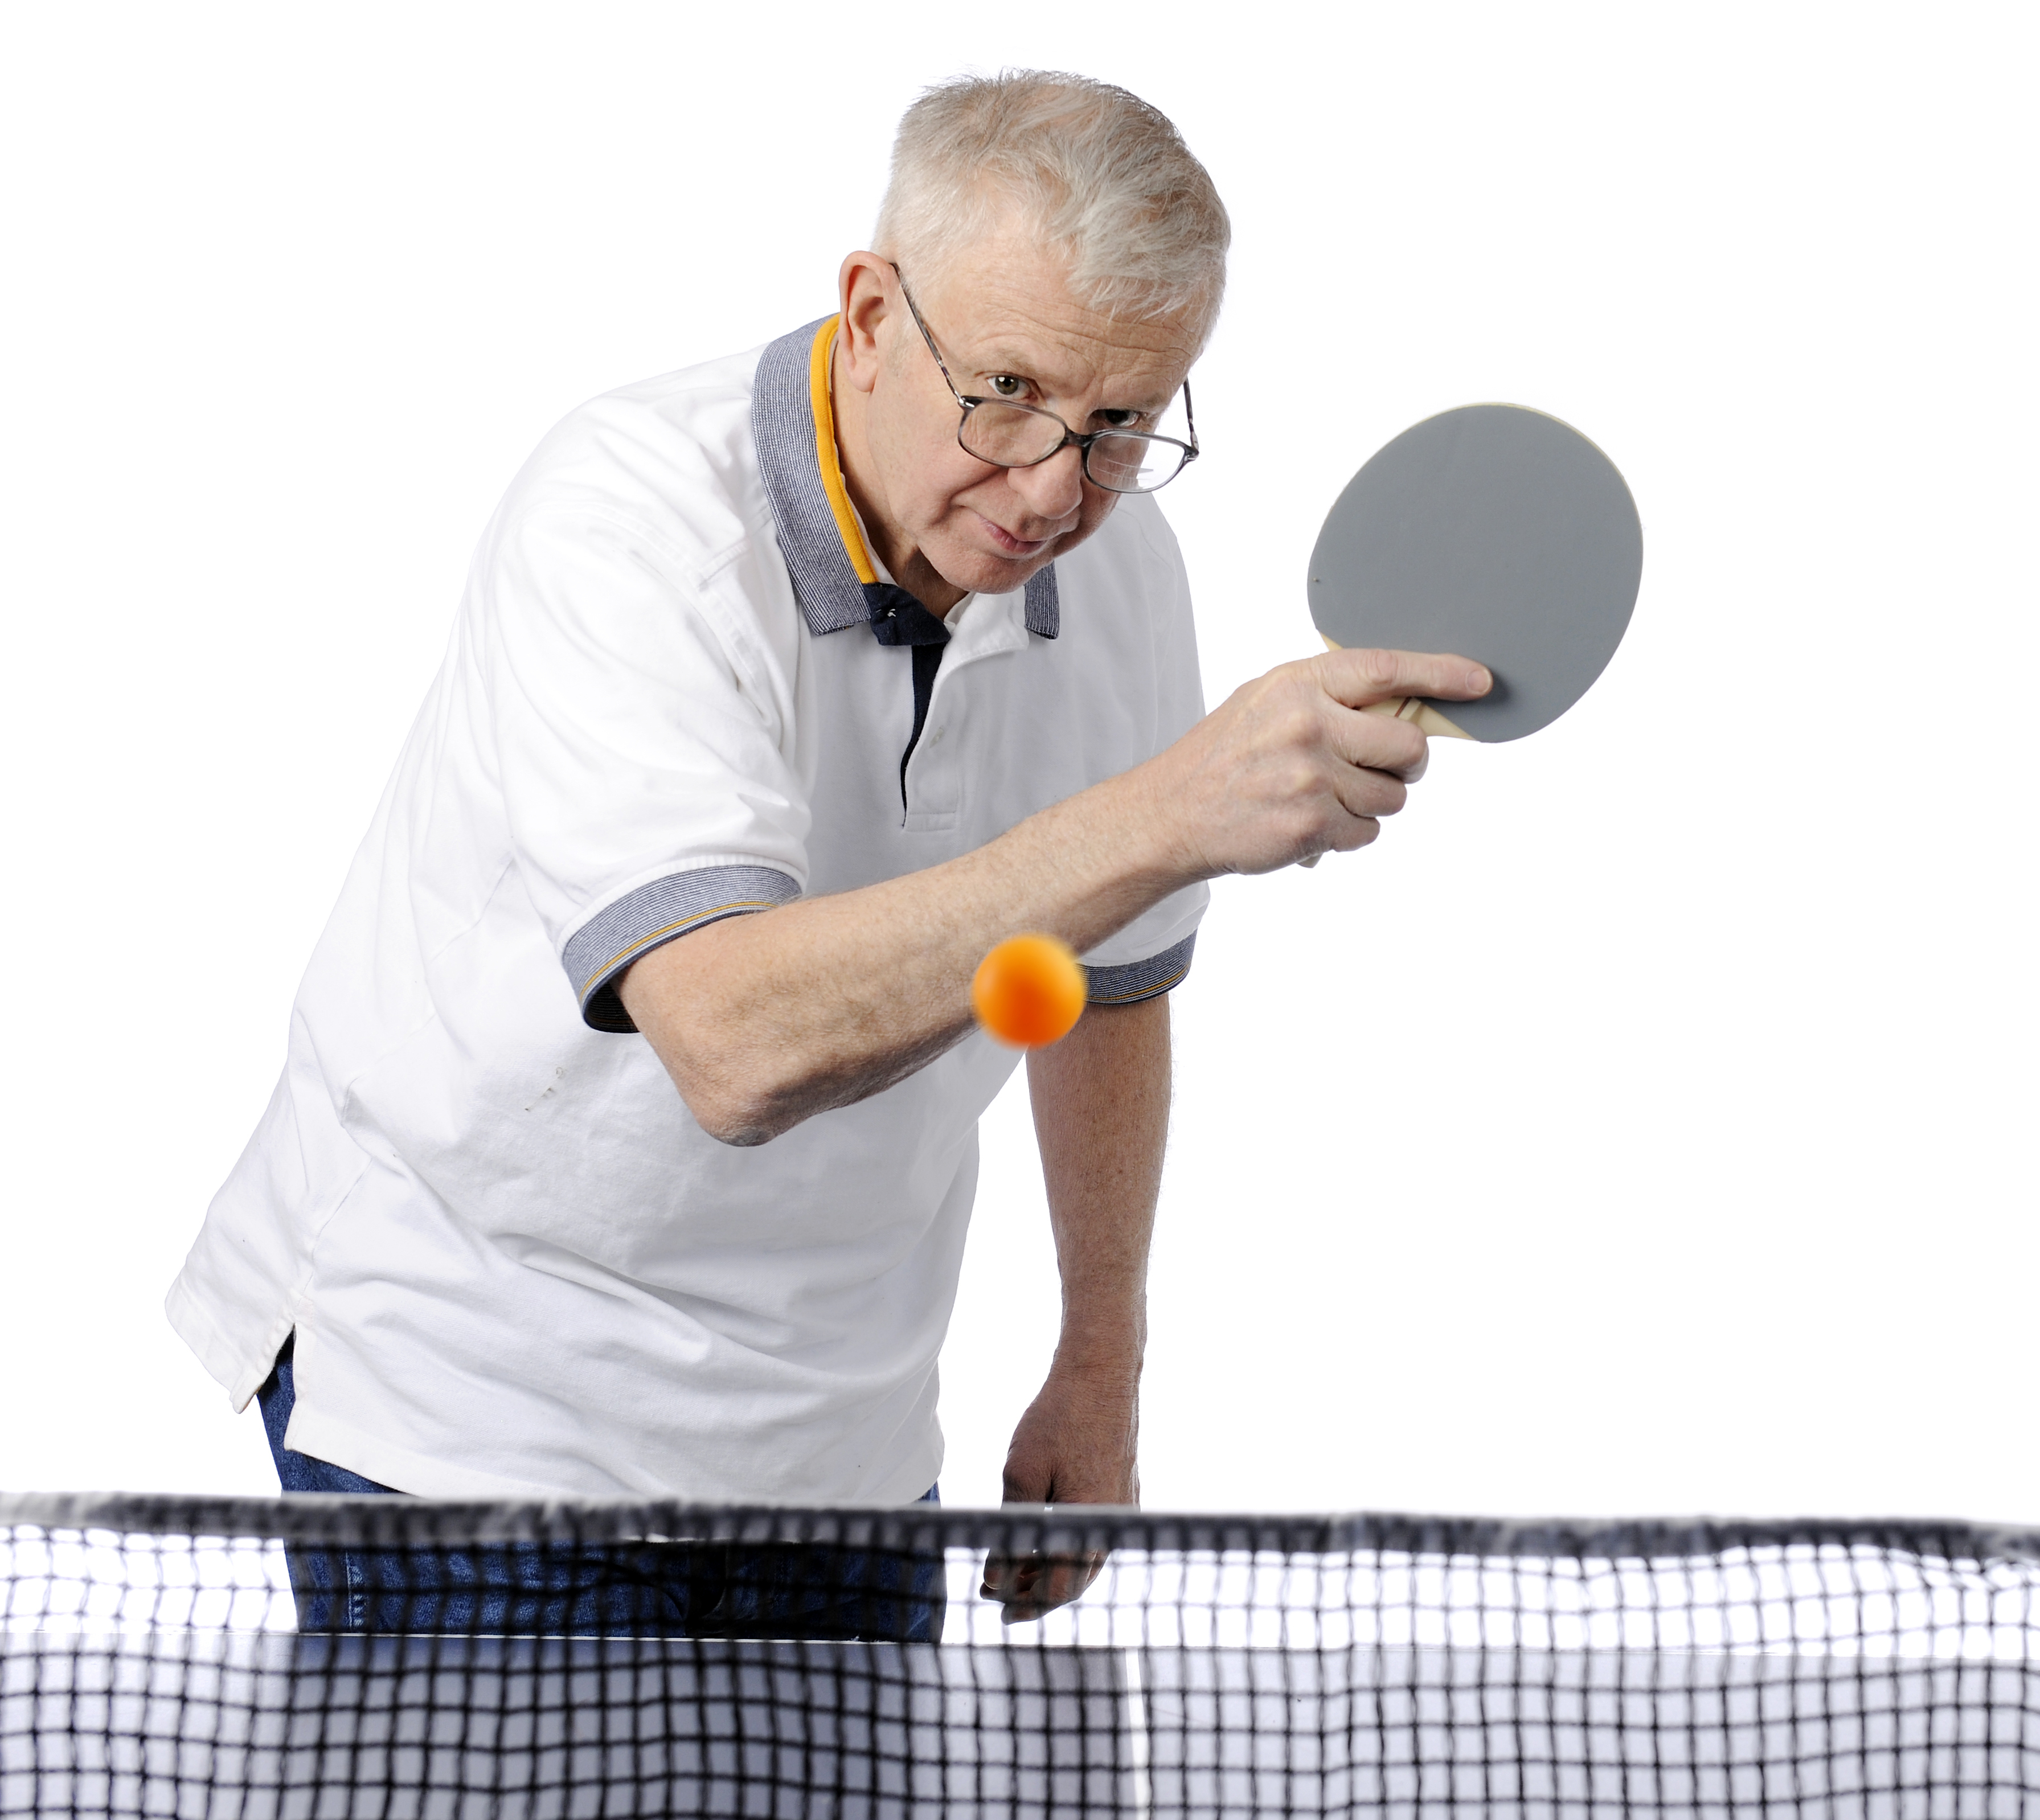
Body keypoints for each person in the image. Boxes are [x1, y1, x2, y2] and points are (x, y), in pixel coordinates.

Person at [163, 70, 1489, 1632]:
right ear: (870, 314)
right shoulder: (628, 520)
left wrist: (1099, 1357)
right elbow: (730, 1042)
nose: (1054, 490)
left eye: (1121, 423)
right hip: (475, 1414)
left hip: (845, 1449)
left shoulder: (1119, 571)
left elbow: (1105, 988)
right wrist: (1167, 807)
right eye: (1006, 390)